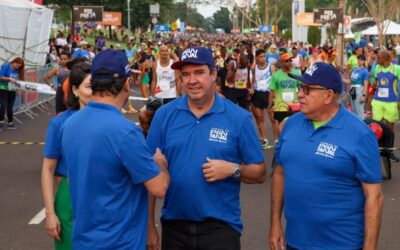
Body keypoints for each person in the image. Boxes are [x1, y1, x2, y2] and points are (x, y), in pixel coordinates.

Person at [146, 47, 266, 250]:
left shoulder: (239, 118)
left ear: (213, 75)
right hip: (174, 228)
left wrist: (233, 169)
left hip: (221, 229)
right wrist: (149, 225)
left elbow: (260, 172)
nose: (191, 80)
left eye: (199, 72)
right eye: (185, 74)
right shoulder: (164, 115)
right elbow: (147, 173)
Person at [61, 50, 170, 249]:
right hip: (120, 242)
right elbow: (158, 187)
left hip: (83, 239)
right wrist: (159, 163)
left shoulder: (70, 124)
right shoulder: (125, 132)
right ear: (127, 84)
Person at [269, 62, 384, 250]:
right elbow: (280, 173)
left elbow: (374, 196)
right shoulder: (290, 125)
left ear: (329, 95)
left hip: (341, 244)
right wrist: (274, 223)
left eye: (307, 89)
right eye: (300, 87)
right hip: (294, 242)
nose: (299, 94)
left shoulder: (360, 134)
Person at [41, 61, 92, 250]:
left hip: (103, 194)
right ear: (75, 90)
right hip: (68, 196)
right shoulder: (59, 123)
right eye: (88, 86)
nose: (94, 91)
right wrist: (50, 213)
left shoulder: (111, 122)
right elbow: (47, 169)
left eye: (98, 86)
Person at [371, 50, 400, 161]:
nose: (377, 59)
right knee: (376, 126)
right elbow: (374, 81)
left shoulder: (396, 69)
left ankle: (390, 151)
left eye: (379, 57)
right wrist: (373, 82)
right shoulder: (377, 68)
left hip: (391, 101)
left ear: (386, 59)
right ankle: (376, 149)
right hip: (378, 101)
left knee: (390, 126)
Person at [268, 53, 301, 142]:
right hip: (280, 106)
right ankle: (280, 145)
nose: (289, 62)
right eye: (287, 61)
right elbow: (272, 92)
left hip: (294, 106)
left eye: (290, 60)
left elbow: (301, 88)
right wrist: (270, 106)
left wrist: (301, 102)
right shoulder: (276, 75)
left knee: (294, 127)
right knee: (280, 128)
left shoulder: (296, 73)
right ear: (282, 62)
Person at [250, 49, 275, 149]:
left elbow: (275, 81)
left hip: (268, 94)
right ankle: (264, 139)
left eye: (264, 56)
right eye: (260, 56)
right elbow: (253, 81)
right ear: (256, 58)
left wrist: (275, 96)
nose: (263, 58)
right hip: (257, 94)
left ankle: (277, 140)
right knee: (259, 118)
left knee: (272, 118)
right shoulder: (254, 68)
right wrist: (251, 88)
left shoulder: (270, 67)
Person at [0, 57, 25, 131]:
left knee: (10, 107)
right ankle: (1, 122)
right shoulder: (6, 66)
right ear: (14, 62)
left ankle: (10, 123)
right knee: (3, 106)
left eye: (19, 66)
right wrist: (9, 79)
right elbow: (0, 77)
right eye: (17, 65)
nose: (17, 67)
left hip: (12, 90)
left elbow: (17, 81)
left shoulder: (17, 70)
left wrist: (17, 89)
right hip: (3, 88)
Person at [349, 54, 369, 119]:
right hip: (352, 89)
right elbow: (351, 80)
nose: (359, 61)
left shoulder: (365, 71)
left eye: (361, 60)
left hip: (359, 90)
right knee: (353, 109)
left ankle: (361, 126)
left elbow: (366, 84)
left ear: (364, 61)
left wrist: (364, 96)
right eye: (358, 60)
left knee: (359, 110)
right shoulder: (354, 69)